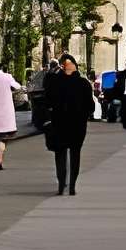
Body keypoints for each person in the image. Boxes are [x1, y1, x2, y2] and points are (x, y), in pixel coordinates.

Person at [42, 55, 94, 194]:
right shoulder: (83, 84)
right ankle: (72, 186)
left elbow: (47, 102)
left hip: (59, 123)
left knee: (60, 154)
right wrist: (83, 115)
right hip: (78, 125)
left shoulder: (54, 83)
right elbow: (91, 107)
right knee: (75, 154)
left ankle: (61, 183)